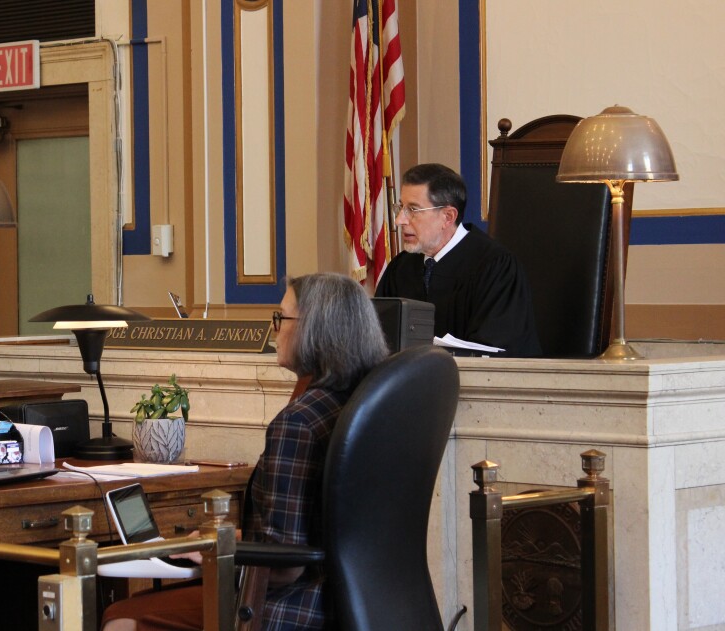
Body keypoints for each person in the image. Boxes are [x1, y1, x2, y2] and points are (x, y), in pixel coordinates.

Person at [101, 273, 389, 631]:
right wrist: (223, 539)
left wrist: (213, 551)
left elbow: (284, 565)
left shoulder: (300, 422)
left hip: (290, 609)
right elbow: (313, 530)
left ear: (315, 330)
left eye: (281, 318)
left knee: (121, 616)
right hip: (358, 603)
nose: (275, 329)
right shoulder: (365, 404)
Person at [375, 163, 541, 357]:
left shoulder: (495, 267)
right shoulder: (401, 268)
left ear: (448, 216)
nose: (400, 220)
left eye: (413, 210)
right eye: (400, 208)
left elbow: (497, 352)